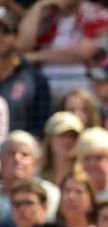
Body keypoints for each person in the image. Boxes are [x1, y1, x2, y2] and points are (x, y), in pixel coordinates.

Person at [0, 8, 50, 138]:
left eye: (5, 30)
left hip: (21, 154)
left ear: (17, 38)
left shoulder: (35, 80)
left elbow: (41, 130)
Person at [41, 112, 84, 187]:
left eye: (74, 136)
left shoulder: (87, 175)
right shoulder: (37, 176)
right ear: (49, 139)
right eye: (63, 135)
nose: (68, 141)